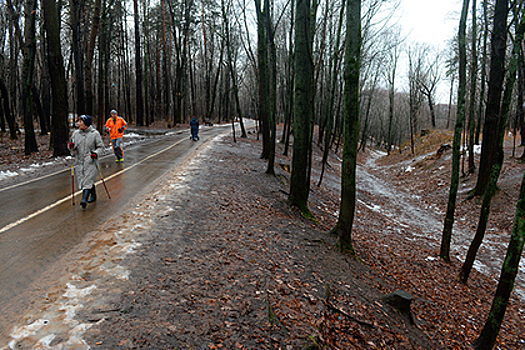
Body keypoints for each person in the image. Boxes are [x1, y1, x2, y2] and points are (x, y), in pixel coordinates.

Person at [68, 115, 104, 209]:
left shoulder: (94, 133)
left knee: (87, 180)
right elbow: (72, 148)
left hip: (90, 161)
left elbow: (101, 147)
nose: (78, 124)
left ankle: (84, 199)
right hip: (79, 161)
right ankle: (93, 194)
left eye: (80, 122)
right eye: (78, 122)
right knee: (83, 180)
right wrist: (71, 146)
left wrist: (95, 154)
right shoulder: (76, 133)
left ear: (86, 123)